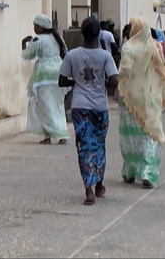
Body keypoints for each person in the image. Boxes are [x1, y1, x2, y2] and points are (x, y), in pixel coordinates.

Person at [59, 16, 118, 206]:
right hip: (100, 107)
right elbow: (114, 80)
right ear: (99, 34)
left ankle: (89, 190)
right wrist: (102, 82)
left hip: (79, 107)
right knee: (99, 145)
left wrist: (76, 81)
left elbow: (61, 80)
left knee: (84, 146)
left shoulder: (72, 55)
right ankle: (99, 184)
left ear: (82, 33)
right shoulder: (105, 56)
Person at [118, 17, 165, 189]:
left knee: (131, 134)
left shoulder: (129, 47)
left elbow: (125, 70)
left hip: (130, 98)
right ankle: (149, 171)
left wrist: (118, 80)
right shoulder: (154, 45)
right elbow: (162, 69)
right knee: (149, 132)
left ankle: (130, 170)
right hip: (150, 97)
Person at [21, 14, 70, 145]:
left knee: (44, 107)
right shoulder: (57, 38)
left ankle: (48, 135)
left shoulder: (38, 39)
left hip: (44, 77)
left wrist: (24, 44)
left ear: (42, 27)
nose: (34, 28)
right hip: (58, 74)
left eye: (36, 25)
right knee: (57, 105)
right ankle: (61, 132)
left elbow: (28, 55)